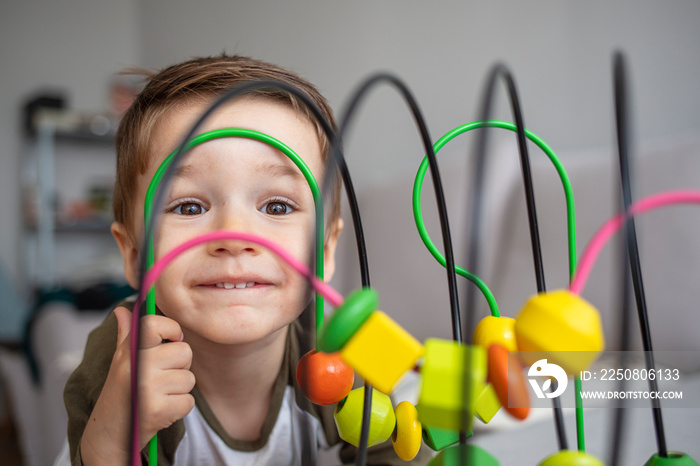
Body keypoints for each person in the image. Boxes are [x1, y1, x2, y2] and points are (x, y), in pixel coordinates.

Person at [59, 54, 431, 465]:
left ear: (325, 252)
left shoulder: (339, 354)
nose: (235, 237)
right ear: (133, 254)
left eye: (276, 207)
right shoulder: (119, 364)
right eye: (188, 207)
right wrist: (113, 436)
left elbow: (388, 453)